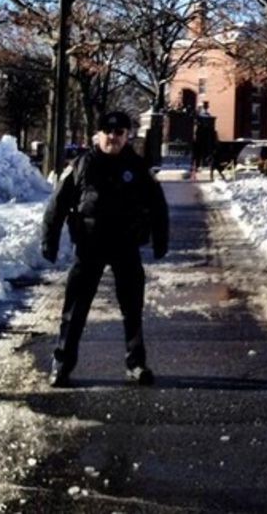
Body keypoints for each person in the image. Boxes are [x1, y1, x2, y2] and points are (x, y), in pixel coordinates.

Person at [41, 110, 170, 388]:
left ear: (126, 136)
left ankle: (136, 364)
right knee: (74, 310)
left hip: (125, 246)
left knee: (132, 308)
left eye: (120, 133)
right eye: (108, 132)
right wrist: (49, 240)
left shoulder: (136, 167)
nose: (113, 137)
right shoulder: (82, 165)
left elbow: (157, 205)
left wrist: (161, 239)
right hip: (89, 247)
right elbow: (57, 204)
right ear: (98, 134)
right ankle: (61, 365)